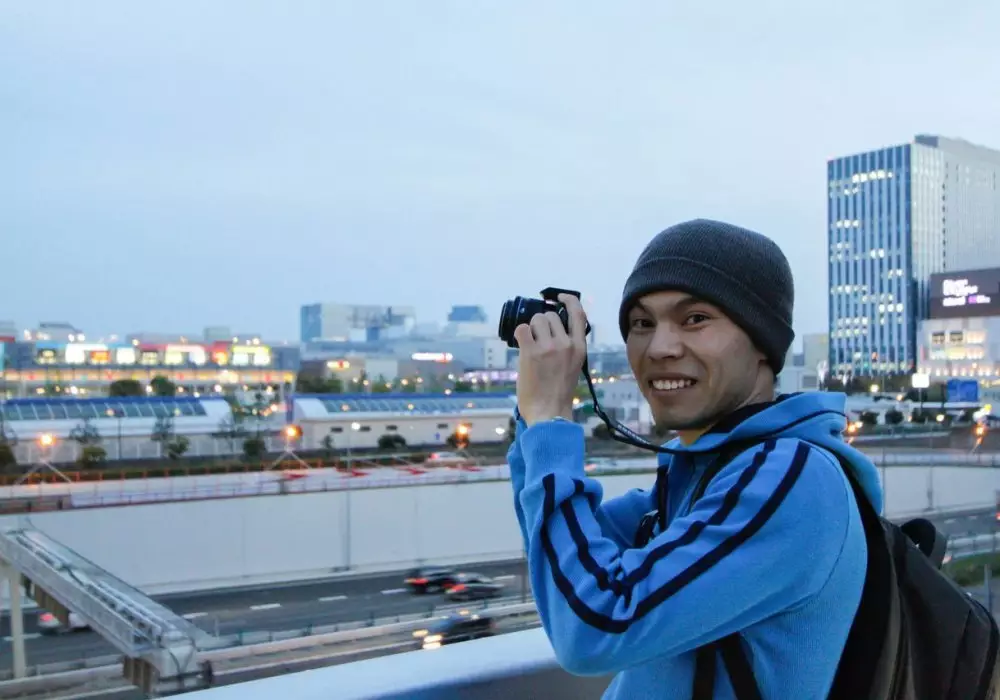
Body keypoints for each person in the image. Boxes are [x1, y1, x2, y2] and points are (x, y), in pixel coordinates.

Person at [507, 218, 882, 699]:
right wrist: (533, 419)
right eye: (642, 324)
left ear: (762, 341)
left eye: (695, 319)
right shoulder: (702, 475)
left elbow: (593, 626)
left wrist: (549, 422)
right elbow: (564, 561)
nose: (659, 348)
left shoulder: (794, 480)